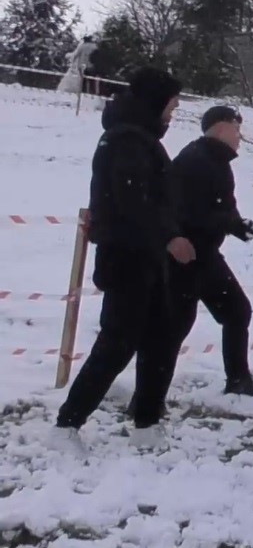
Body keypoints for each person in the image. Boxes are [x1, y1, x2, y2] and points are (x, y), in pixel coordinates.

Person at [52, 67, 196, 451]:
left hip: (145, 257)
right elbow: (132, 200)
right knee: (118, 342)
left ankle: (147, 424)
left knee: (160, 339)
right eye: (171, 106)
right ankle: (66, 426)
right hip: (128, 258)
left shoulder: (139, 138)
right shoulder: (126, 141)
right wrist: (170, 237)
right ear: (154, 102)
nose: (173, 113)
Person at [155, 106, 253, 399]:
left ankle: (238, 380)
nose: (240, 136)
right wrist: (224, 222)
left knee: (236, 311)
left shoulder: (217, 162)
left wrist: (237, 225)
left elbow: (222, 206)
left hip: (204, 255)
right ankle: (147, 400)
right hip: (185, 257)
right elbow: (188, 213)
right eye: (236, 128)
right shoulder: (195, 161)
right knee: (174, 328)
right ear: (220, 127)